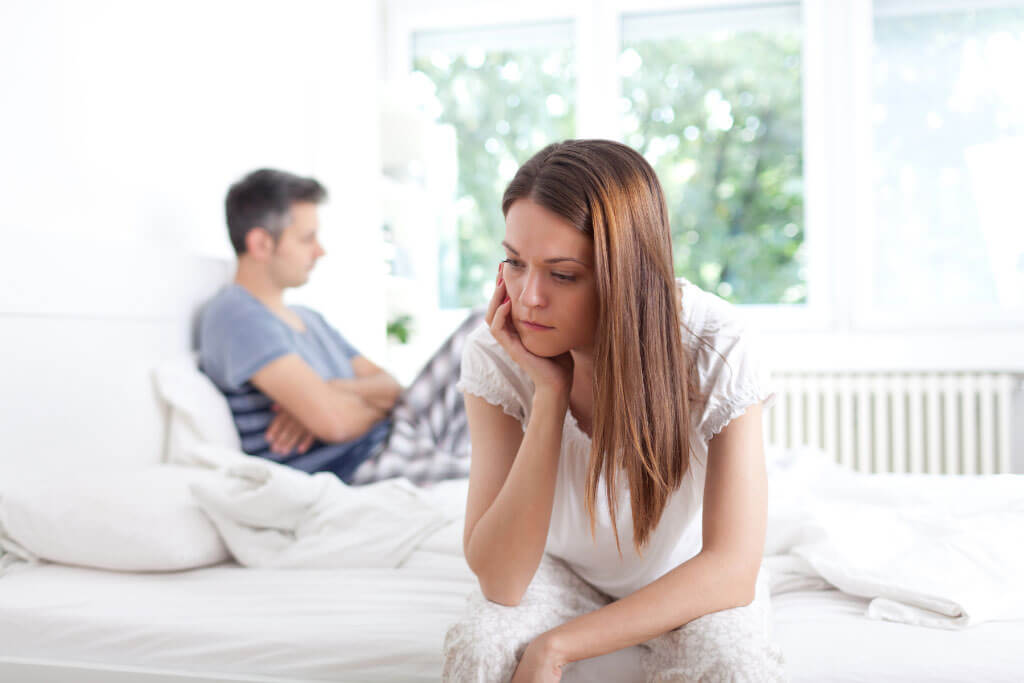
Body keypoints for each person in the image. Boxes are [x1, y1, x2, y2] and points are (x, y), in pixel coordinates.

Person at [442, 140, 787, 681]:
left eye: (563, 274)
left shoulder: (717, 344)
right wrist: (551, 395)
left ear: (627, 274)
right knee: (479, 648)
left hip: (685, 574)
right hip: (559, 570)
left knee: (736, 667)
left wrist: (557, 646)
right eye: (514, 262)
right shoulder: (496, 354)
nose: (528, 297)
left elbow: (731, 569)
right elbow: (502, 582)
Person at [199, 168, 476, 485]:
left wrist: (335, 390)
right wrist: (378, 406)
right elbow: (337, 423)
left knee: (485, 329)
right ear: (261, 244)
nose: (320, 251)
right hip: (362, 463)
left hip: (396, 437)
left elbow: (391, 387)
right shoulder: (238, 315)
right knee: (487, 327)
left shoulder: (309, 318)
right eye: (307, 239)